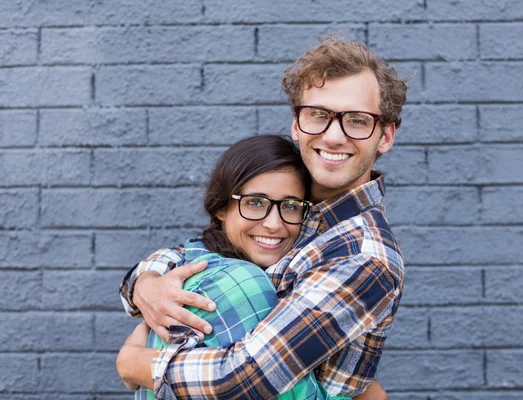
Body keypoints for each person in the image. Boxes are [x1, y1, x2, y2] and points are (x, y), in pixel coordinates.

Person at [117, 36, 405, 399]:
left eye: (358, 120)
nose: (334, 136)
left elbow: (241, 378)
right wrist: (145, 283)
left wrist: (134, 364)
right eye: (318, 115)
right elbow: (199, 250)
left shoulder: (362, 255)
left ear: (385, 136)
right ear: (297, 125)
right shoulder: (299, 208)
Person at [130, 134, 336, 399]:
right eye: (255, 202)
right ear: (221, 207)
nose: (274, 223)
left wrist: (144, 280)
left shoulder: (194, 261)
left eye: (290, 206)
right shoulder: (242, 281)